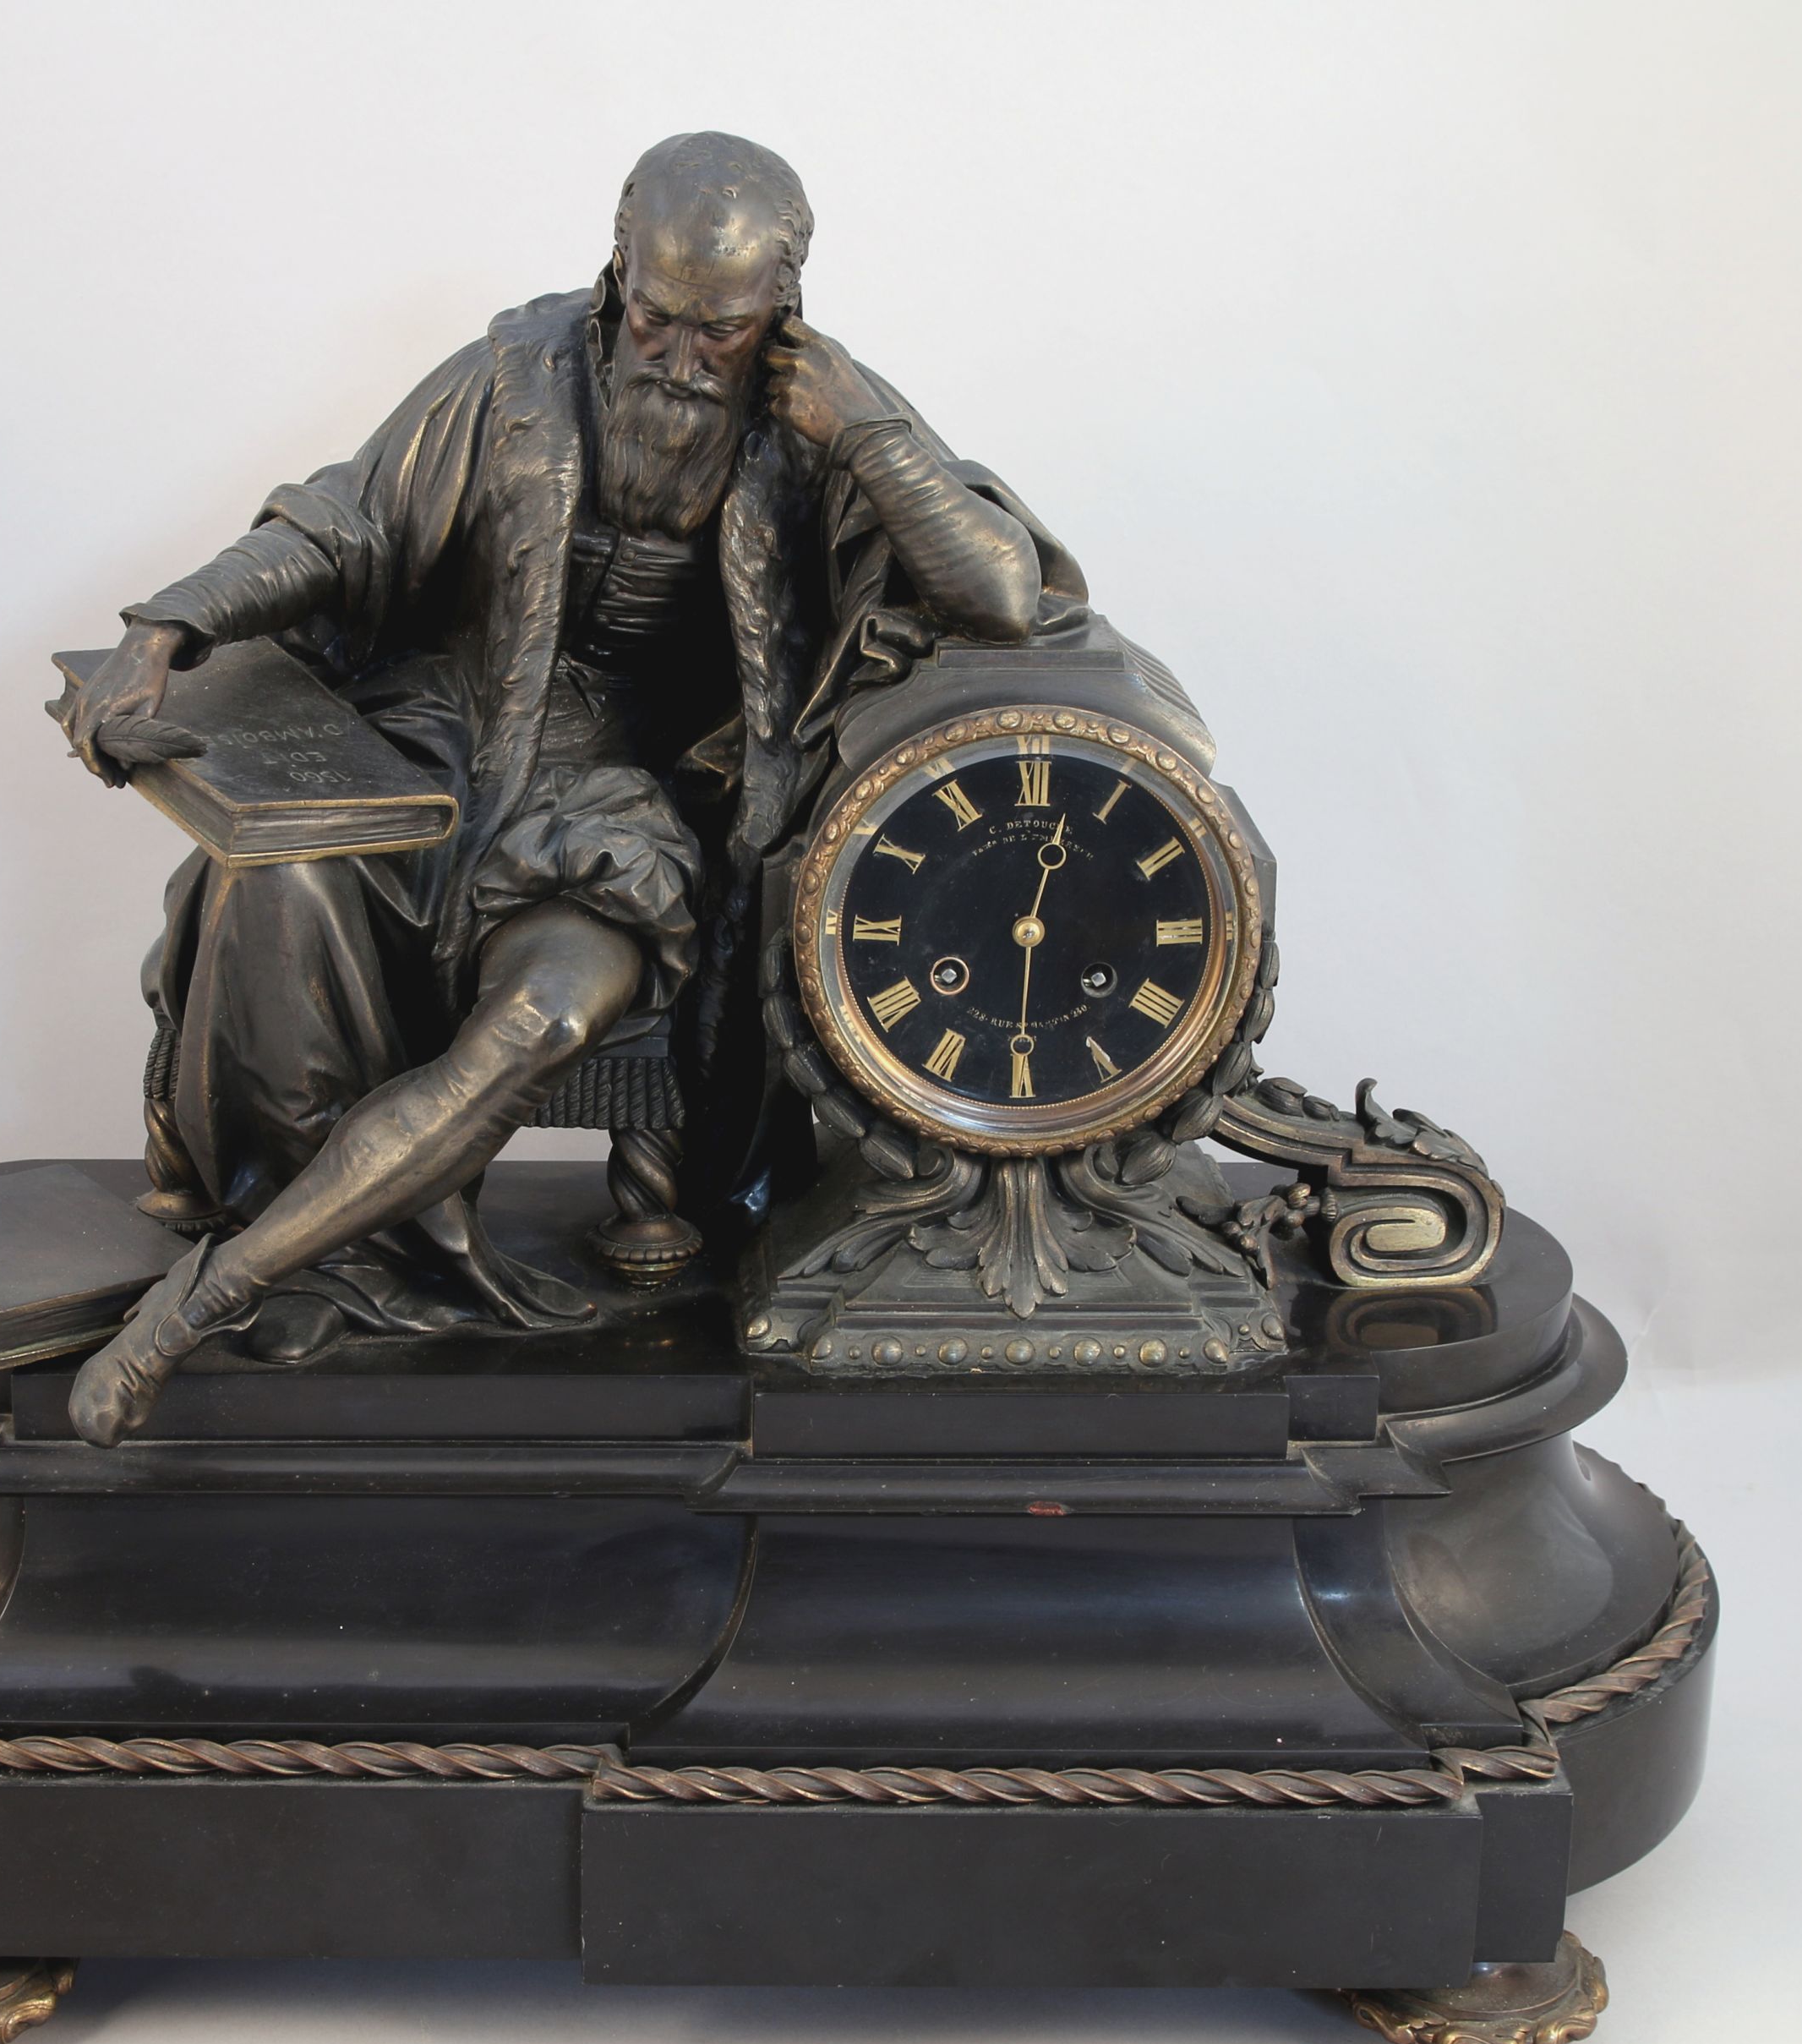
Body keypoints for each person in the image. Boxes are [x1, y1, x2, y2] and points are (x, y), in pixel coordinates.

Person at [65, 132, 1087, 1445]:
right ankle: (308, 1258)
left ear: (780, 304)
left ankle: (210, 1296)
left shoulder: (825, 415)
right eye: (656, 316)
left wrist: (871, 437)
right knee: (279, 884)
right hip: (443, 749)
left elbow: (1003, 592)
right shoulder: (516, 379)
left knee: (548, 1016)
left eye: (719, 330)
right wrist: (167, 629)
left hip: (625, 814)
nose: (679, 357)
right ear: (617, 268)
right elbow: (343, 523)